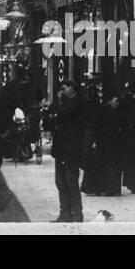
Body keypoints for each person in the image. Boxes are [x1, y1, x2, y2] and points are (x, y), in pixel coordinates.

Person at [51, 79, 92, 222]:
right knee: (61, 181)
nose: (62, 91)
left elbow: (66, 113)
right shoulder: (65, 105)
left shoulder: (77, 104)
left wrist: (56, 104)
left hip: (71, 149)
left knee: (70, 181)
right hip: (62, 149)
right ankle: (65, 212)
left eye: (64, 88)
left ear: (72, 88)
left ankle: (76, 213)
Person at [82, 89, 126, 196]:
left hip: (111, 143)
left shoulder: (113, 111)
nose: (117, 103)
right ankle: (106, 188)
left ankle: (103, 188)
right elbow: (96, 127)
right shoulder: (102, 111)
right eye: (115, 101)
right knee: (104, 166)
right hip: (104, 142)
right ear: (109, 101)